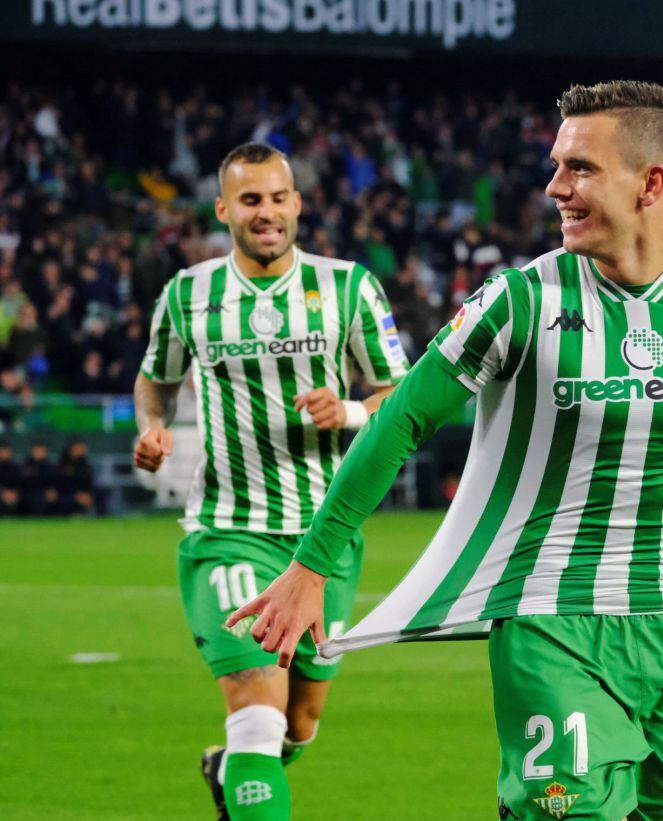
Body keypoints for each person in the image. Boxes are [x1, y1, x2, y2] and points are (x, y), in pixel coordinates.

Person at [229, 81, 663, 820]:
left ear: (651, 182)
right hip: (552, 616)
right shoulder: (519, 300)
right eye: (556, 165)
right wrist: (311, 564)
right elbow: (402, 421)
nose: (556, 187)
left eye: (580, 168)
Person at [133, 142, 408, 819]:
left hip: (325, 538)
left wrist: (346, 409)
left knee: (300, 720)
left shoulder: (348, 287)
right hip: (230, 532)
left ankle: (234, 771)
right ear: (224, 208)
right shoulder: (188, 295)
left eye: (278, 198)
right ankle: (245, 757)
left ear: (299, 204)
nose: (267, 212)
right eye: (251, 200)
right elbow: (154, 380)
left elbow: (399, 395)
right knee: (257, 713)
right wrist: (151, 425)